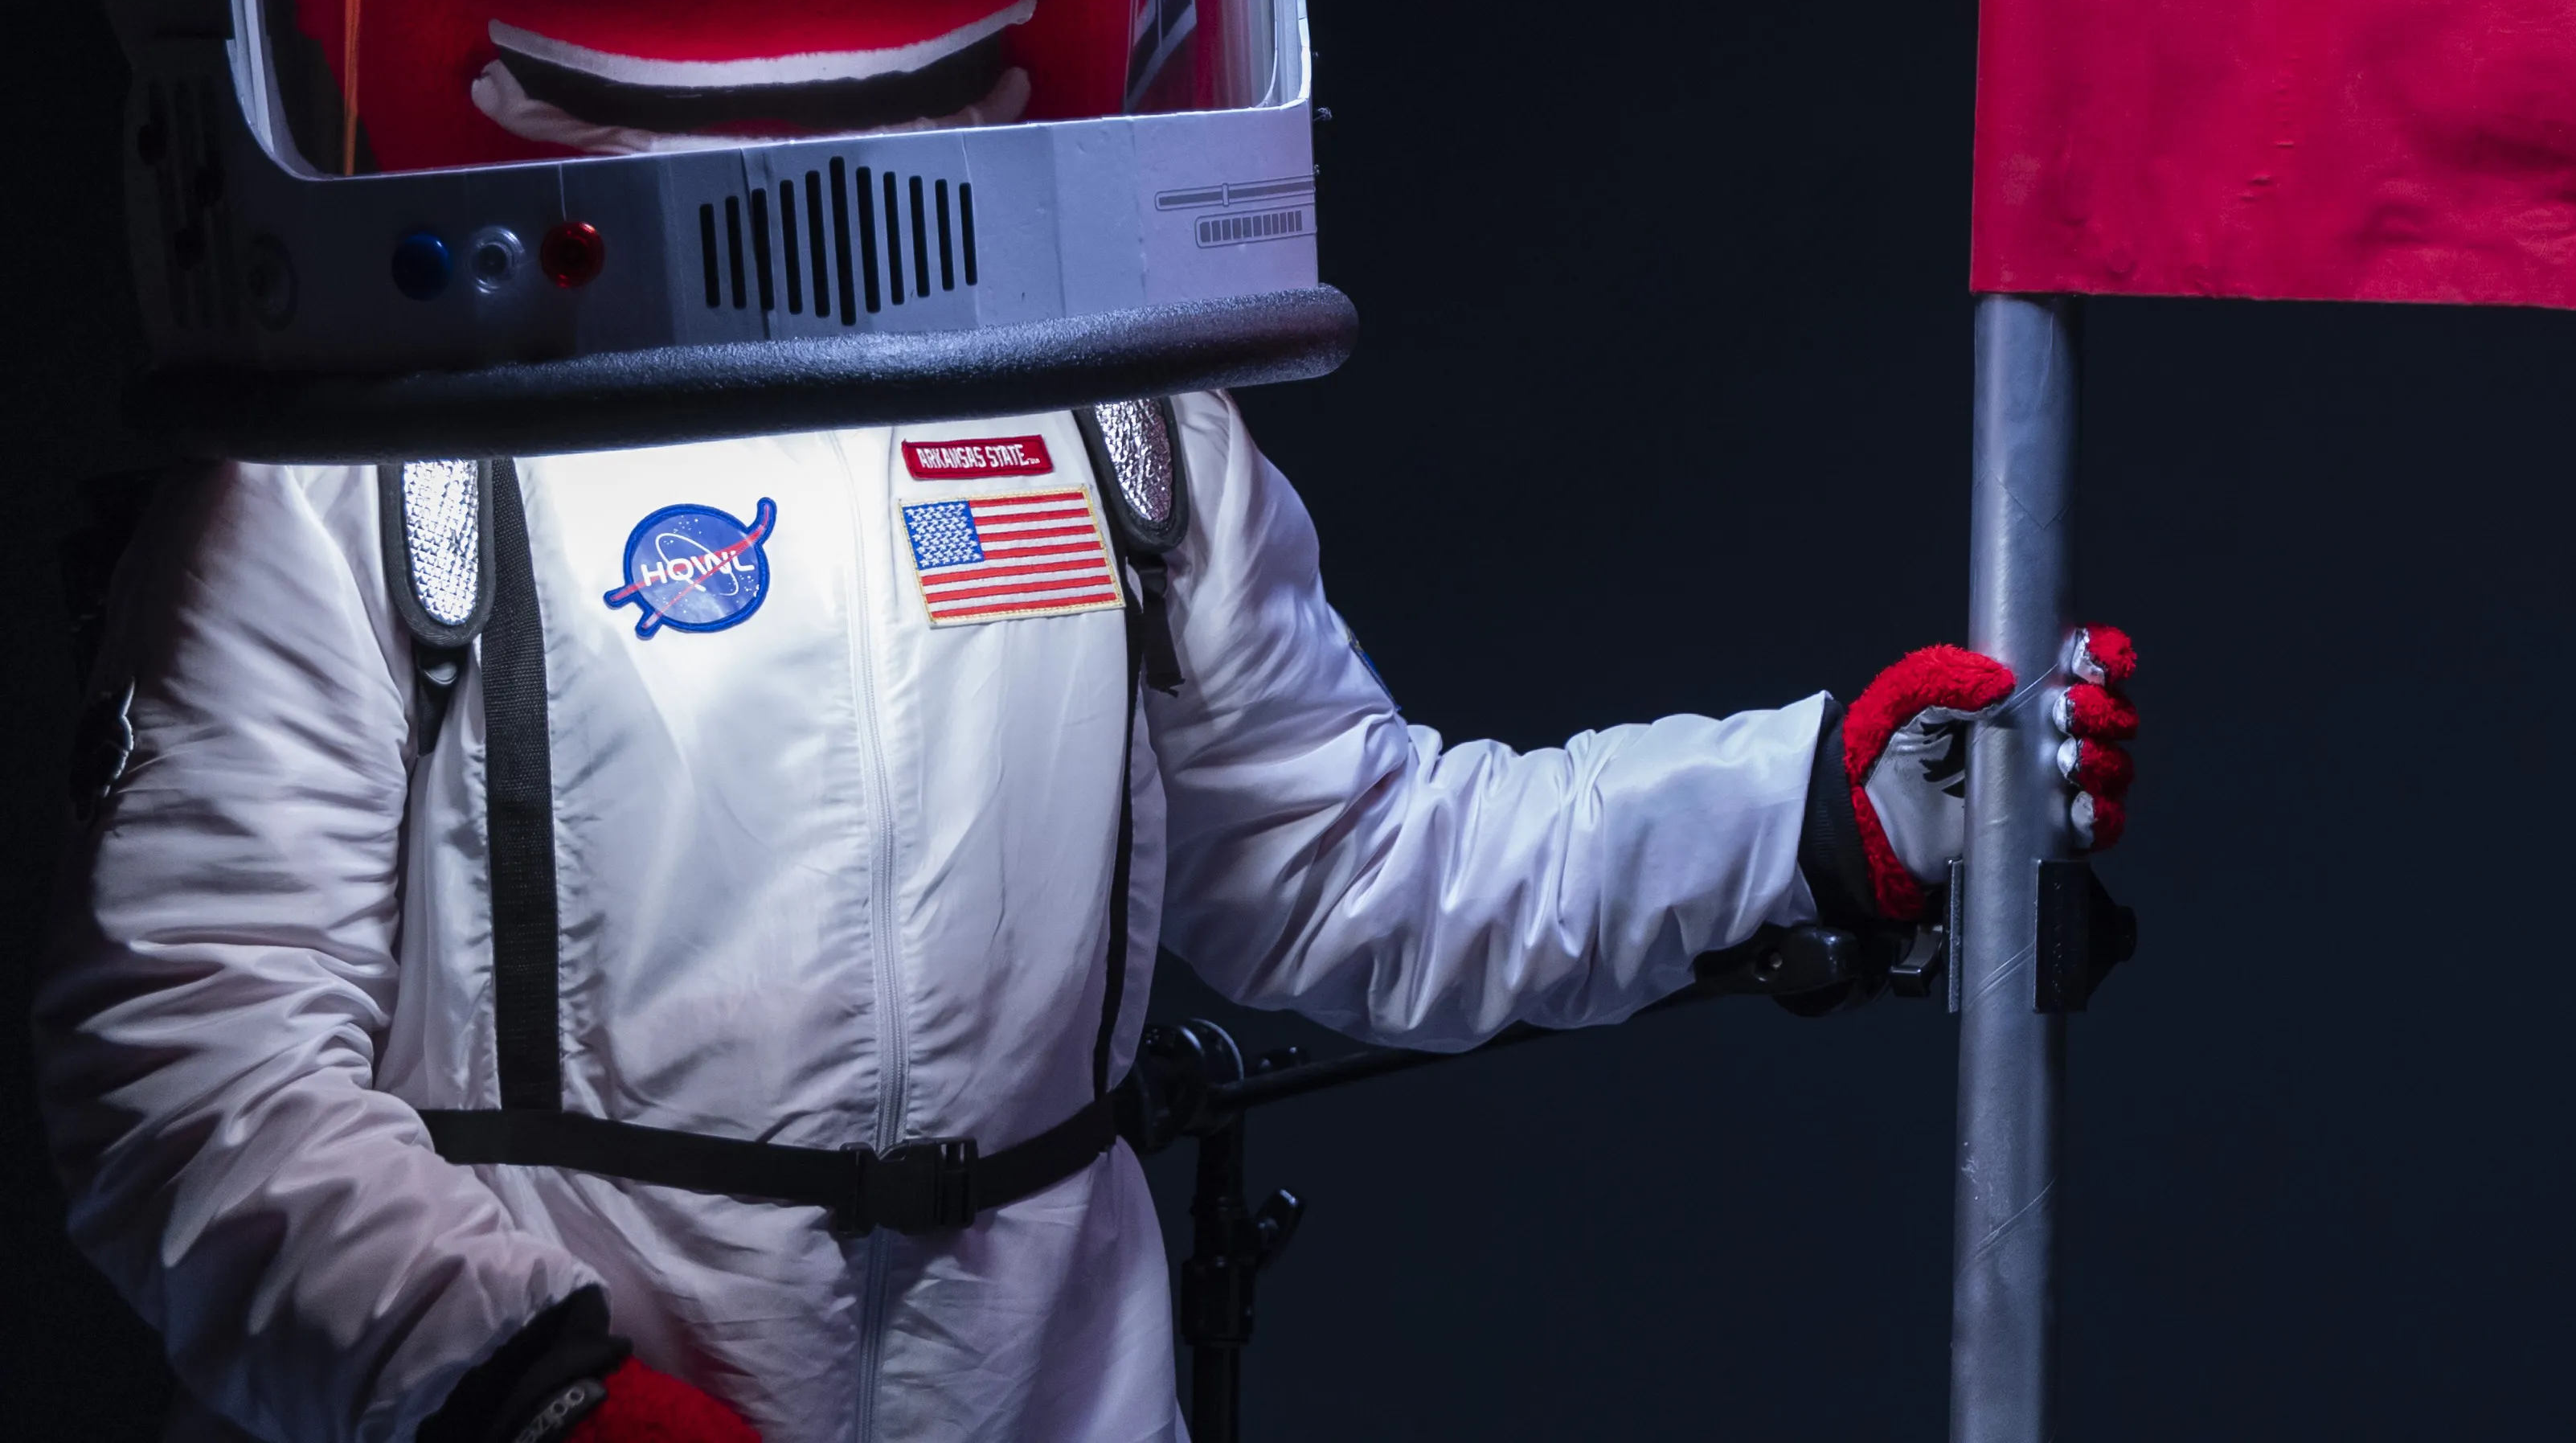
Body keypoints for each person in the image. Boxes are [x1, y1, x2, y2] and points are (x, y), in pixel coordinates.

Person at [37, 395, 2136, 1441]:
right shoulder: (366, 439)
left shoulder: (1100, 410)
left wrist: (1801, 816)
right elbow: (192, 1074)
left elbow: (1350, 855)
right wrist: (532, 1396)